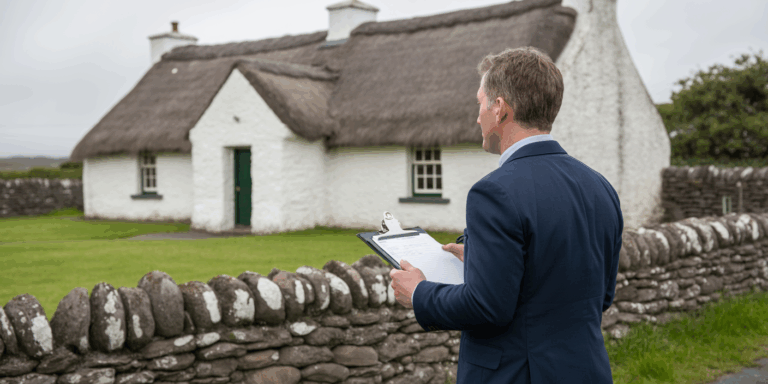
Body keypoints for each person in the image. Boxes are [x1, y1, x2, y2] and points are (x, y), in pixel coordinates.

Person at [389, 47, 624, 383]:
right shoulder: (600, 186)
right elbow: (599, 295)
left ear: (499, 108)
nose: (477, 116)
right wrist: (489, 261)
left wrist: (419, 293)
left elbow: (486, 308)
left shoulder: (494, 191)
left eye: (480, 102)